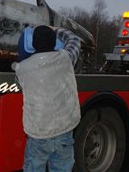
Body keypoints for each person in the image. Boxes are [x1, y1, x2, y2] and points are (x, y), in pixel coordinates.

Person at [12, 25, 81, 172]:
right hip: (64, 130)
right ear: (54, 42)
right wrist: (56, 30)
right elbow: (74, 40)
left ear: (33, 44)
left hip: (39, 133)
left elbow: (20, 85)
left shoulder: (22, 68)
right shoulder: (66, 58)